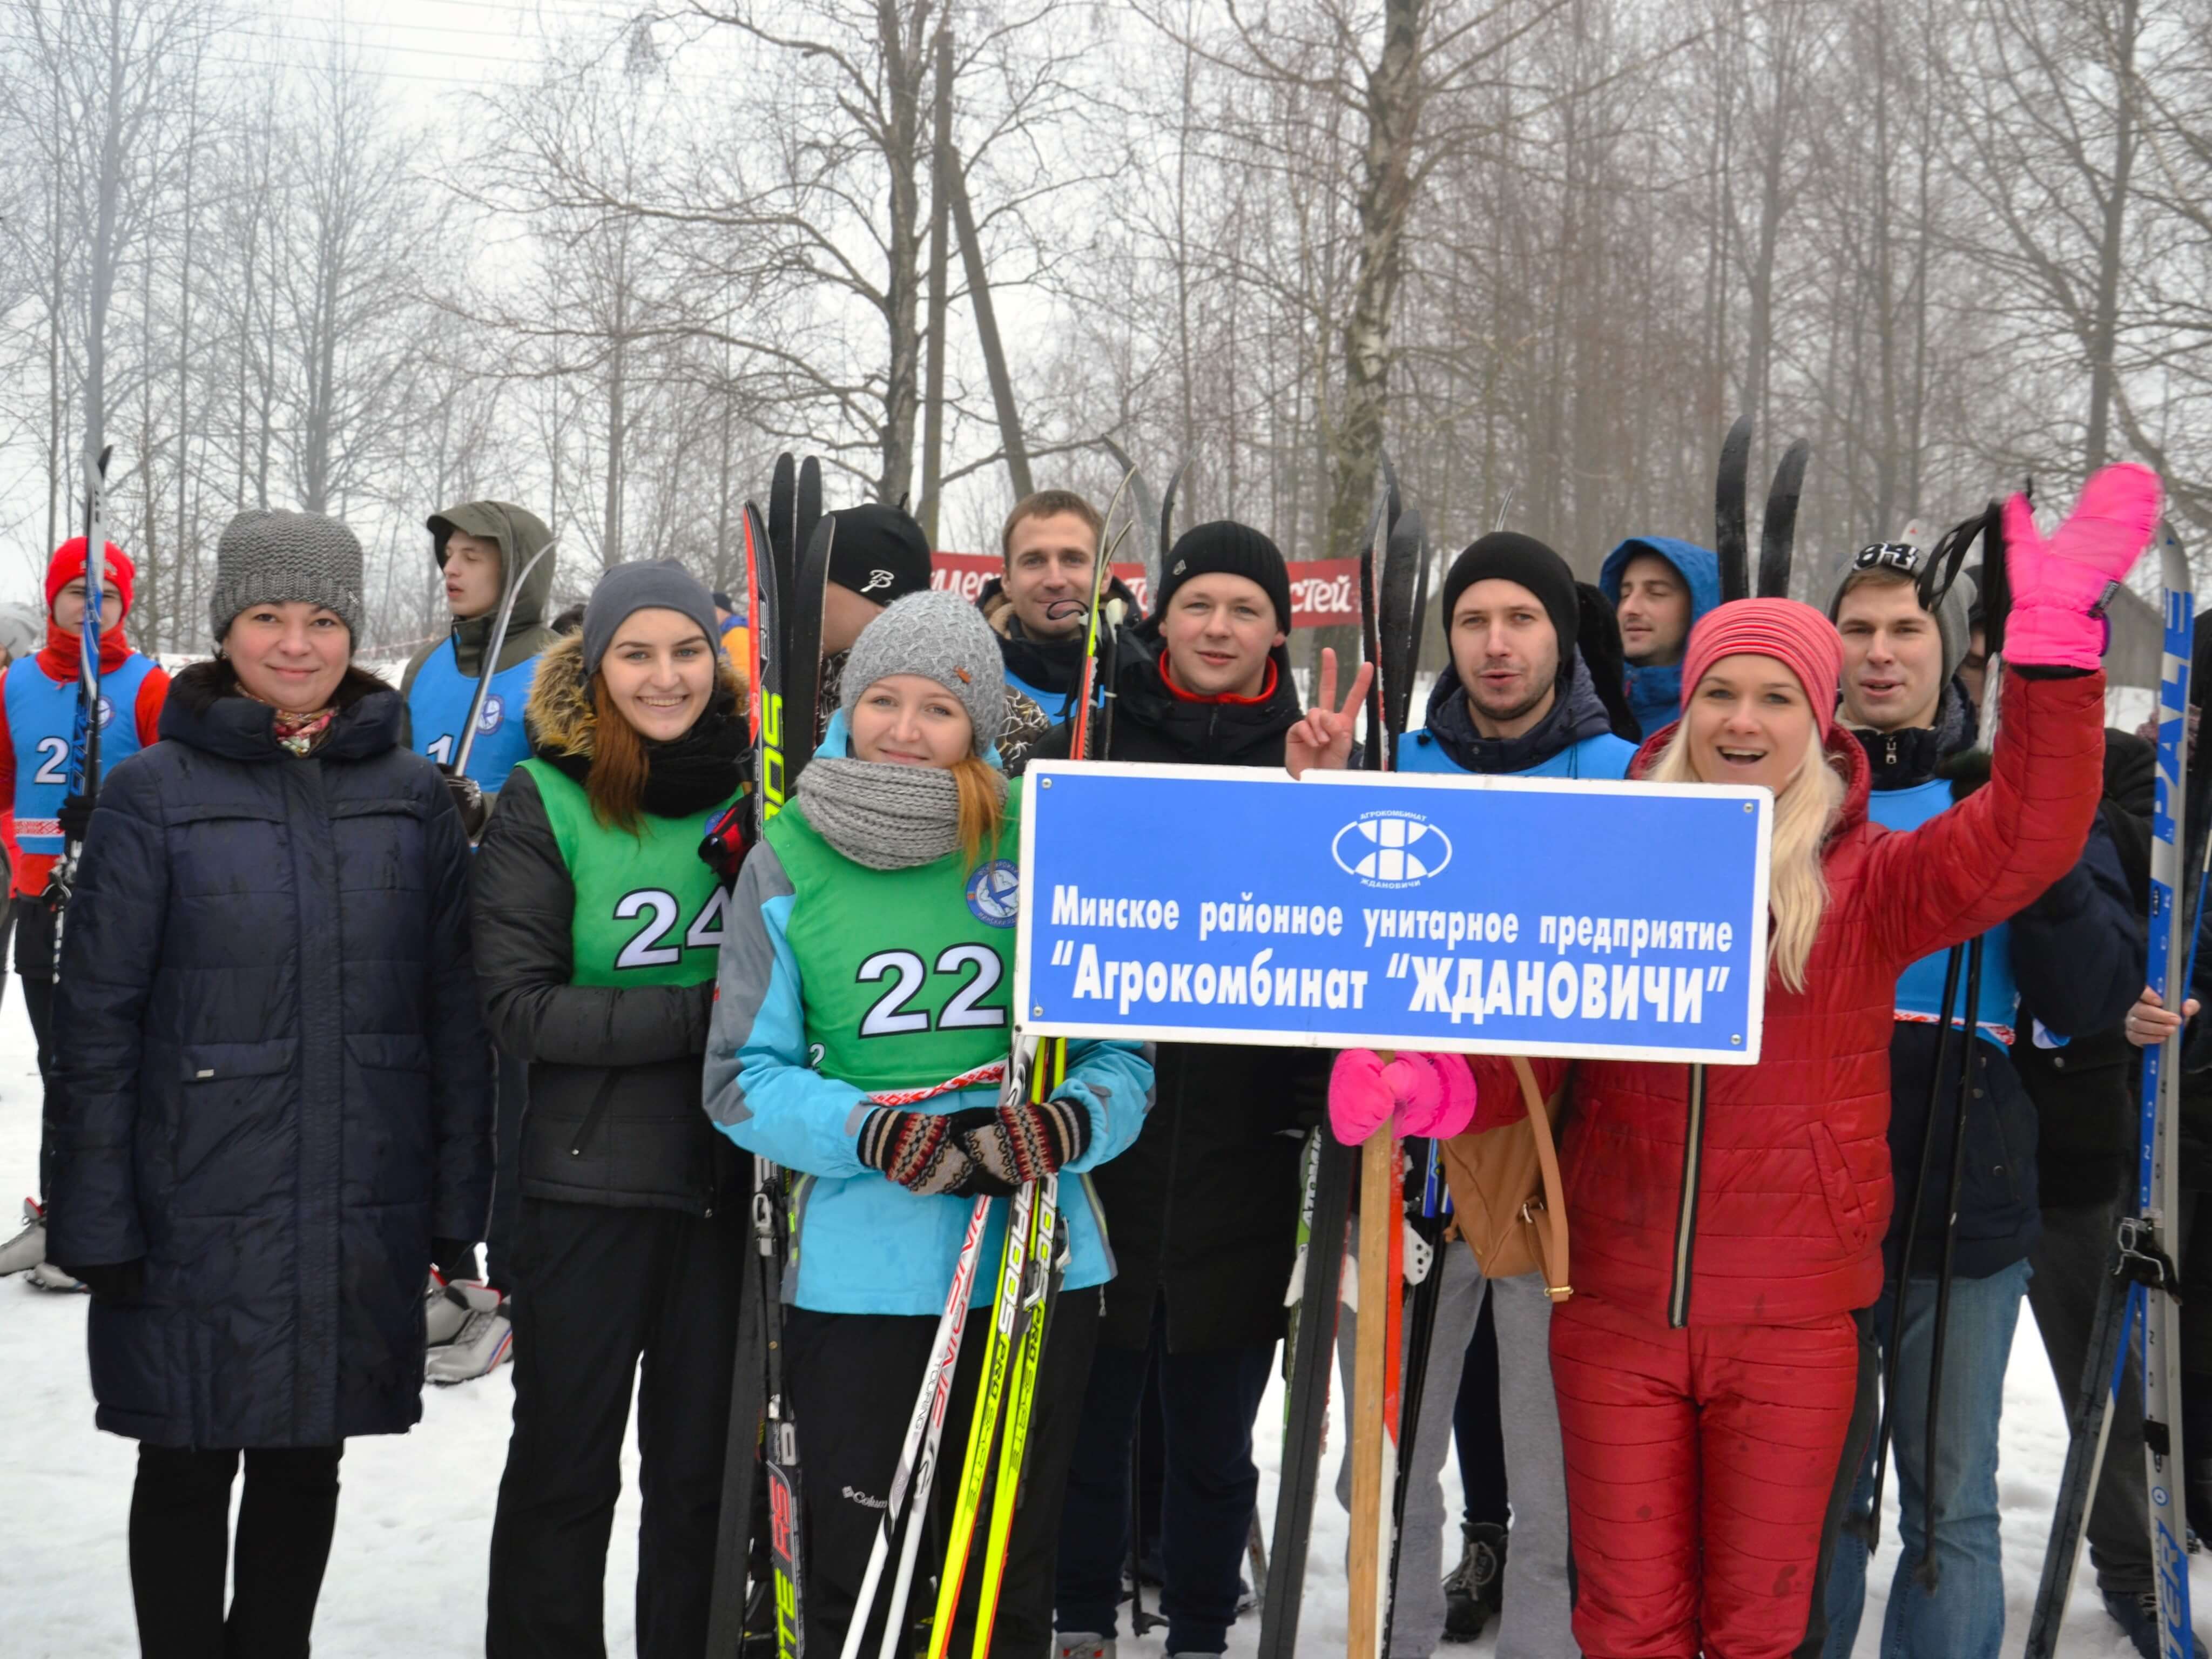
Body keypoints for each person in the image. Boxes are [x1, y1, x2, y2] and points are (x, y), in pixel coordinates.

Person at [1332, 464, 2156, 1658]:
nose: (1742, 720)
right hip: (1613, 1310)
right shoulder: (1613, 861)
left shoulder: (1870, 881)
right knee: (1626, 1621)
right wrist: (1437, 1083)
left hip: (1793, 1319)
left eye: (1776, 696)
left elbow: (2026, 839)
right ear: (1686, 709)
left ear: (1816, 720)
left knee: (1759, 1624)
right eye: (1719, 691)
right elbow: (1534, 1048)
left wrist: (2049, 664)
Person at [43, 507, 490, 1657]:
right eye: (268, 617)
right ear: (223, 629)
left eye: (324, 619)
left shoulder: (412, 797)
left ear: (354, 632)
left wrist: (454, 1204)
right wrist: (93, 1210)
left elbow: (451, 1016)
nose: (297, 644)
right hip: (189, 1199)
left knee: (306, 1459)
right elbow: (95, 1026)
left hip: (353, 1194)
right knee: (184, 1458)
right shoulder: (151, 791)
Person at [705, 589, 1150, 1656]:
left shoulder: (1038, 842)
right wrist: (874, 1133)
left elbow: (1123, 1059)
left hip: (1031, 1266)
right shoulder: (786, 856)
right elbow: (741, 1079)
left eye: (938, 709)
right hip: (861, 1274)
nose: (904, 729)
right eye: (883, 701)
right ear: (847, 706)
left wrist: (1064, 1125)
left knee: (1002, 1571)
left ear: (978, 723)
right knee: (863, 1573)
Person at [1287, 529, 1635, 1659]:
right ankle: (1394, 1636)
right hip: (1410, 1168)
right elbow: (1317, 934)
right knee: (1394, 1454)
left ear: (1560, 636)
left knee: (1549, 1466)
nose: (1496, 643)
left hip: (1550, 1172)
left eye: (1520, 619)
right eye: (1473, 621)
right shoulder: (1401, 769)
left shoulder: (1629, 776)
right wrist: (1315, 800)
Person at [1818, 545, 2146, 1659]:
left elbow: (2093, 994)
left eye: (1904, 629)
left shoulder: (2017, 791)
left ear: (1951, 648)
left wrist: (2031, 846)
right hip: (1805, 1198)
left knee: (1950, 1503)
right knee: (1812, 1501)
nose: (1878, 653)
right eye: (1857, 629)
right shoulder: (1784, 784)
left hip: (1966, 1191)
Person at [1029, 522, 1327, 1659]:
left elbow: (1345, 941)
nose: (1218, 627)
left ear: (1277, 631)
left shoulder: (1307, 755)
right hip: (1107, 1128)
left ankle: (1201, 1622)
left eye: (1245, 609)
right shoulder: (1098, 734)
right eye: (1199, 603)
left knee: (1212, 1429)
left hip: (1244, 1142)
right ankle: (1079, 1615)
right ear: (1163, 616)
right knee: (1089, 1411)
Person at [474, 562, 750, 1659]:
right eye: (635, 653)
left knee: (701, 1481)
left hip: (732, 1184)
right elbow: (519, 1006)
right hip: (584, 1187)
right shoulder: (545, 796)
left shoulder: (764, 787)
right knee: (564, 1471)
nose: (664, 676)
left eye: (686, 651)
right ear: (595, 669)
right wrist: (708, 1016)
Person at [399, 500, 559, 1377]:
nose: (453, 570)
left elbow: (571, 802)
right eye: (448, 555)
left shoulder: (554, 669)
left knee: (508, 1112)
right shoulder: (425, 663)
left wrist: (488, 810)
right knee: (437, 1099)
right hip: (424, 918)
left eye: (474, 556)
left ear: (516, 564)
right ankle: (452, 1271)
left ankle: (515, 1291)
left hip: (511, 927)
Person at [0, 537, 170, 1289]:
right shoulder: (15, 682)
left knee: (115, 1066)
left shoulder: (147, 683)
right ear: (53, 599)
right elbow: (5, 784)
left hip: (120, 905)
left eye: (105, 596)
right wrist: (25, 853)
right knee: (57, 1064)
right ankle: (60, 1210)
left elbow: (180, 790)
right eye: (78, 593)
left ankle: (113, 1218)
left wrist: (112, 827)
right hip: (41, 897)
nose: (91, 608)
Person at [978, 489, 1143, 721]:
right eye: (1034, 561)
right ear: (1007, 581)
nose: (1055, 581)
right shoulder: (964, 680)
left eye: (1073, 559)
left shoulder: (1150, 679)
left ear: (1104, 576)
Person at [1597, 536, 1721, 733]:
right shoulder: (1582, 709)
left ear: (1700, 606)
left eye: (1656, 593)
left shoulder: (1722, 720)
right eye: (1624, 595)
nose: (1630, 608)